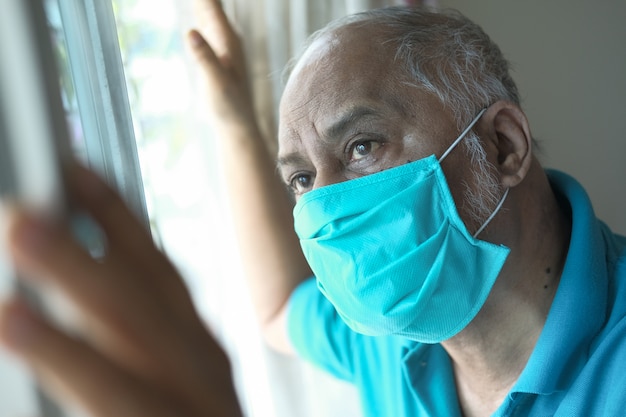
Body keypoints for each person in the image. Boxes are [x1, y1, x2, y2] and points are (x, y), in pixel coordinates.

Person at [1, 1, 625, 417]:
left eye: (361, 146)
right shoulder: (391, 341)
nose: (324, 202)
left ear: (501, 146)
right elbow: (280, 309)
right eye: (301, 178)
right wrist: (234, 120)